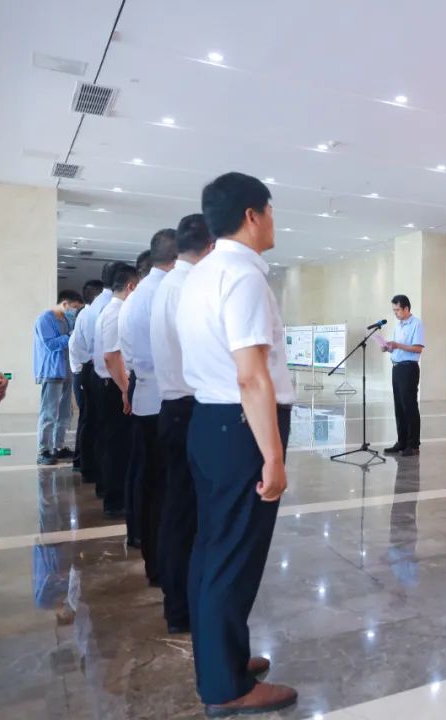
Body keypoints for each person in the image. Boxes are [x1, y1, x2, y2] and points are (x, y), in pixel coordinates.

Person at [177, 172, 297, 715]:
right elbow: (251, 376)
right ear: (252, 215)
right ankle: (226, 688)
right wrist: (273, 456)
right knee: (234, 558)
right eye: (270, 211)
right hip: (240, 427)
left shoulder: (202, 273)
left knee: (212, 549)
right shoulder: (243, 278)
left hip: (210, 421)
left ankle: (220, 659)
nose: (272, 221)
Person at [151, 213, 214, 635]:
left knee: (179, 511)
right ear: (211, 246)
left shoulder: (168, 284)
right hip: (189, 408)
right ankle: (183, 607)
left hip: (173, 406)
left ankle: (178, 601)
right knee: (188, 516)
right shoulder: (190, 287)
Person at [120, 229, 177, 584]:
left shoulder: (136, 296)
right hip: (163, 401)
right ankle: (161, 563)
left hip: (145, 397)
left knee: (151, 483)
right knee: (165, 489)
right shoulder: (166, 294)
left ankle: (152, 558)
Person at [93, 263, 138, 518]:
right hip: (113, 385)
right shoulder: (116, 312)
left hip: (111, 383)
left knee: (115, 444)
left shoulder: (111, 309)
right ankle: (115, 499)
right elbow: (111, 356)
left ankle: (112, 493)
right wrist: (124, 389)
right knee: (117, 445)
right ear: (131, 286)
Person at [71, 264, 119, 491]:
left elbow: (78, 344)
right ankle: (101, 477)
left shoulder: (91, 308)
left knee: (91, 421)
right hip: (104, 371)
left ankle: (88, 468)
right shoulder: (111, 306)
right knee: (107, 429)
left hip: (90, 369)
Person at [33, 289, 83, 465]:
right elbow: (51, 344)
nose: (74, 311)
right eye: (74, 307)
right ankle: (43, 450)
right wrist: (70, 336)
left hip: (67, 370)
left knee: (65, 412)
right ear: (65, 303)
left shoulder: (66, 320)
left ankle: (58, 447)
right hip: (52, 370)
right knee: (49, 412)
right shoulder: (44, 319)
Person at [382, 294, 425, 457]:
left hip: (409, 369)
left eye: (397, 310)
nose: (395, 313)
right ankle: (402, 442)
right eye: (394, 310)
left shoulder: (416, 324)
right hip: (397, 368)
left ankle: (413, 445)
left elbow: (418, 348)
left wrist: (398, 345)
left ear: (406, 308)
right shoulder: (398, 326)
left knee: (409, 406)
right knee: (399, 407)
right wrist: (389, 347)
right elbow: (398, 348)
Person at [70, 280, 104, 473]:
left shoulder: (87, 314)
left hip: (86, 369)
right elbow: (80, 349)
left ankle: (83, 461)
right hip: (87, 370)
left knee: (88, 418)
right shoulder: (89, 315)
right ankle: (83, 461)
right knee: (88, 418)